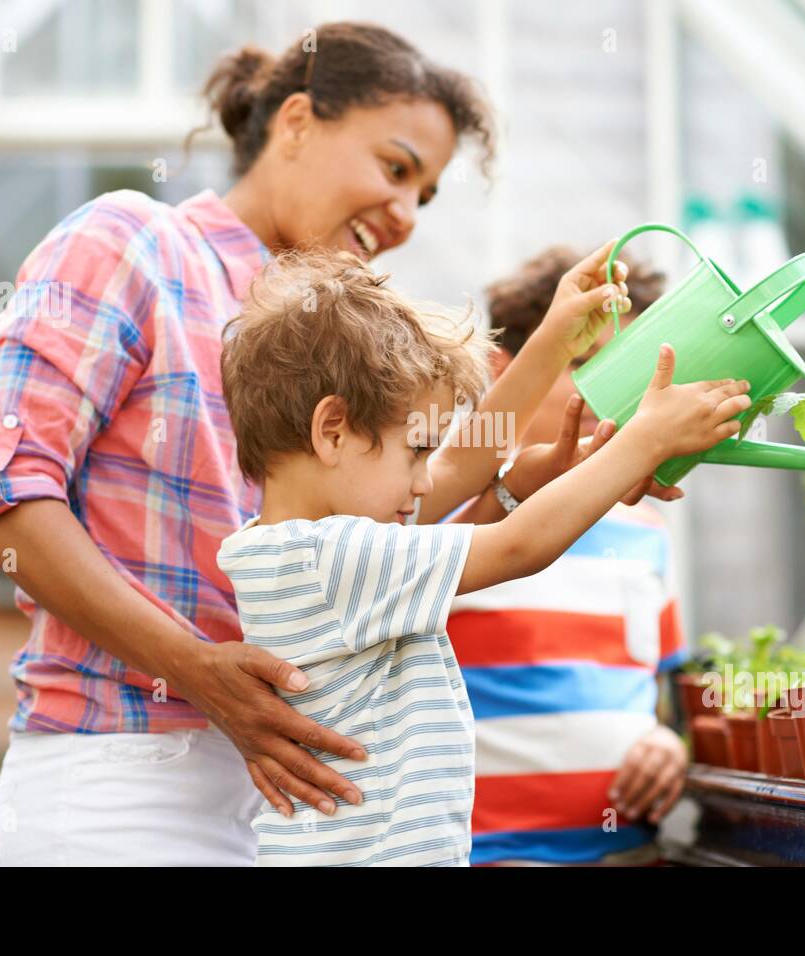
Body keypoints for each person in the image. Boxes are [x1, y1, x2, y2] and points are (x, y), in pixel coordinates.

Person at [0, 22, 635, 866]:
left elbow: (379, 525)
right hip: (122, 771)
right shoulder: (133, 243)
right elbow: (4, 497)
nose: (405, 214)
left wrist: (526, 459)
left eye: (424, 196)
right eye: (395, 168)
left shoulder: (336, 331)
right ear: (299, 122)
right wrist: (198, 669)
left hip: (284, 791)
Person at [216, 249, 751, 865]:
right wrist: (643, 440)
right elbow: (520, 546)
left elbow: (465, 461)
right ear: (332, 431)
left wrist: (552, 341)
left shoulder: (304, 536)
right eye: (415, 450)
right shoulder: (333, 555)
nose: (425, 482)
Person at [448, 247, 689, 866]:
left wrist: (669, 744)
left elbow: (659, 695)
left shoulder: (648, 529)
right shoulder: (451, 519)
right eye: (582, 363)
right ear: (508, 371)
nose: (610, 392)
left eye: (630, 367)